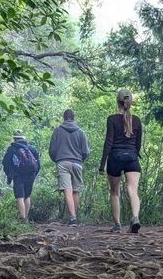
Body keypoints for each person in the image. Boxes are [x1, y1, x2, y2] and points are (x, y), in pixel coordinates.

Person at [98, 88, 142, 234]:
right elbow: (138, 144)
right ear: (131, 103)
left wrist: (102, 164)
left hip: (115, 157)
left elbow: (108, 142)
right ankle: (135, 217)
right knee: (133, 190)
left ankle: (117, 225)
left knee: (115, 191)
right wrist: (134, 153)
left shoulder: (111, 119)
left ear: (118, 102)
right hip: (131, 157)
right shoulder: (136, 120)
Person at [48, 108, 90, 225]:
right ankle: (73, 217)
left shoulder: (57, 131)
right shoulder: (81, 132)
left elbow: (52, 150)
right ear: (73, 117)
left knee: (67, 189)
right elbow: (86, 151)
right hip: (77, 162)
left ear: (64, 117)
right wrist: (80, 159)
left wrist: (56, 159)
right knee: (75, 190)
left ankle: (72, 217)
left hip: (62, 162)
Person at [2, 131, 41, 224]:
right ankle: (26, 218)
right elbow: (38, 163)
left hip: (18, 176)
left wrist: (10, 174)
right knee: (27, 196)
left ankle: (22, 219)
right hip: (30, 175)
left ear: (14, 139)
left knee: (20, 196)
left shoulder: (11, 149)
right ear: (23, 138)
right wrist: (34, 174)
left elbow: (5, 163)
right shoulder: (31, 148)